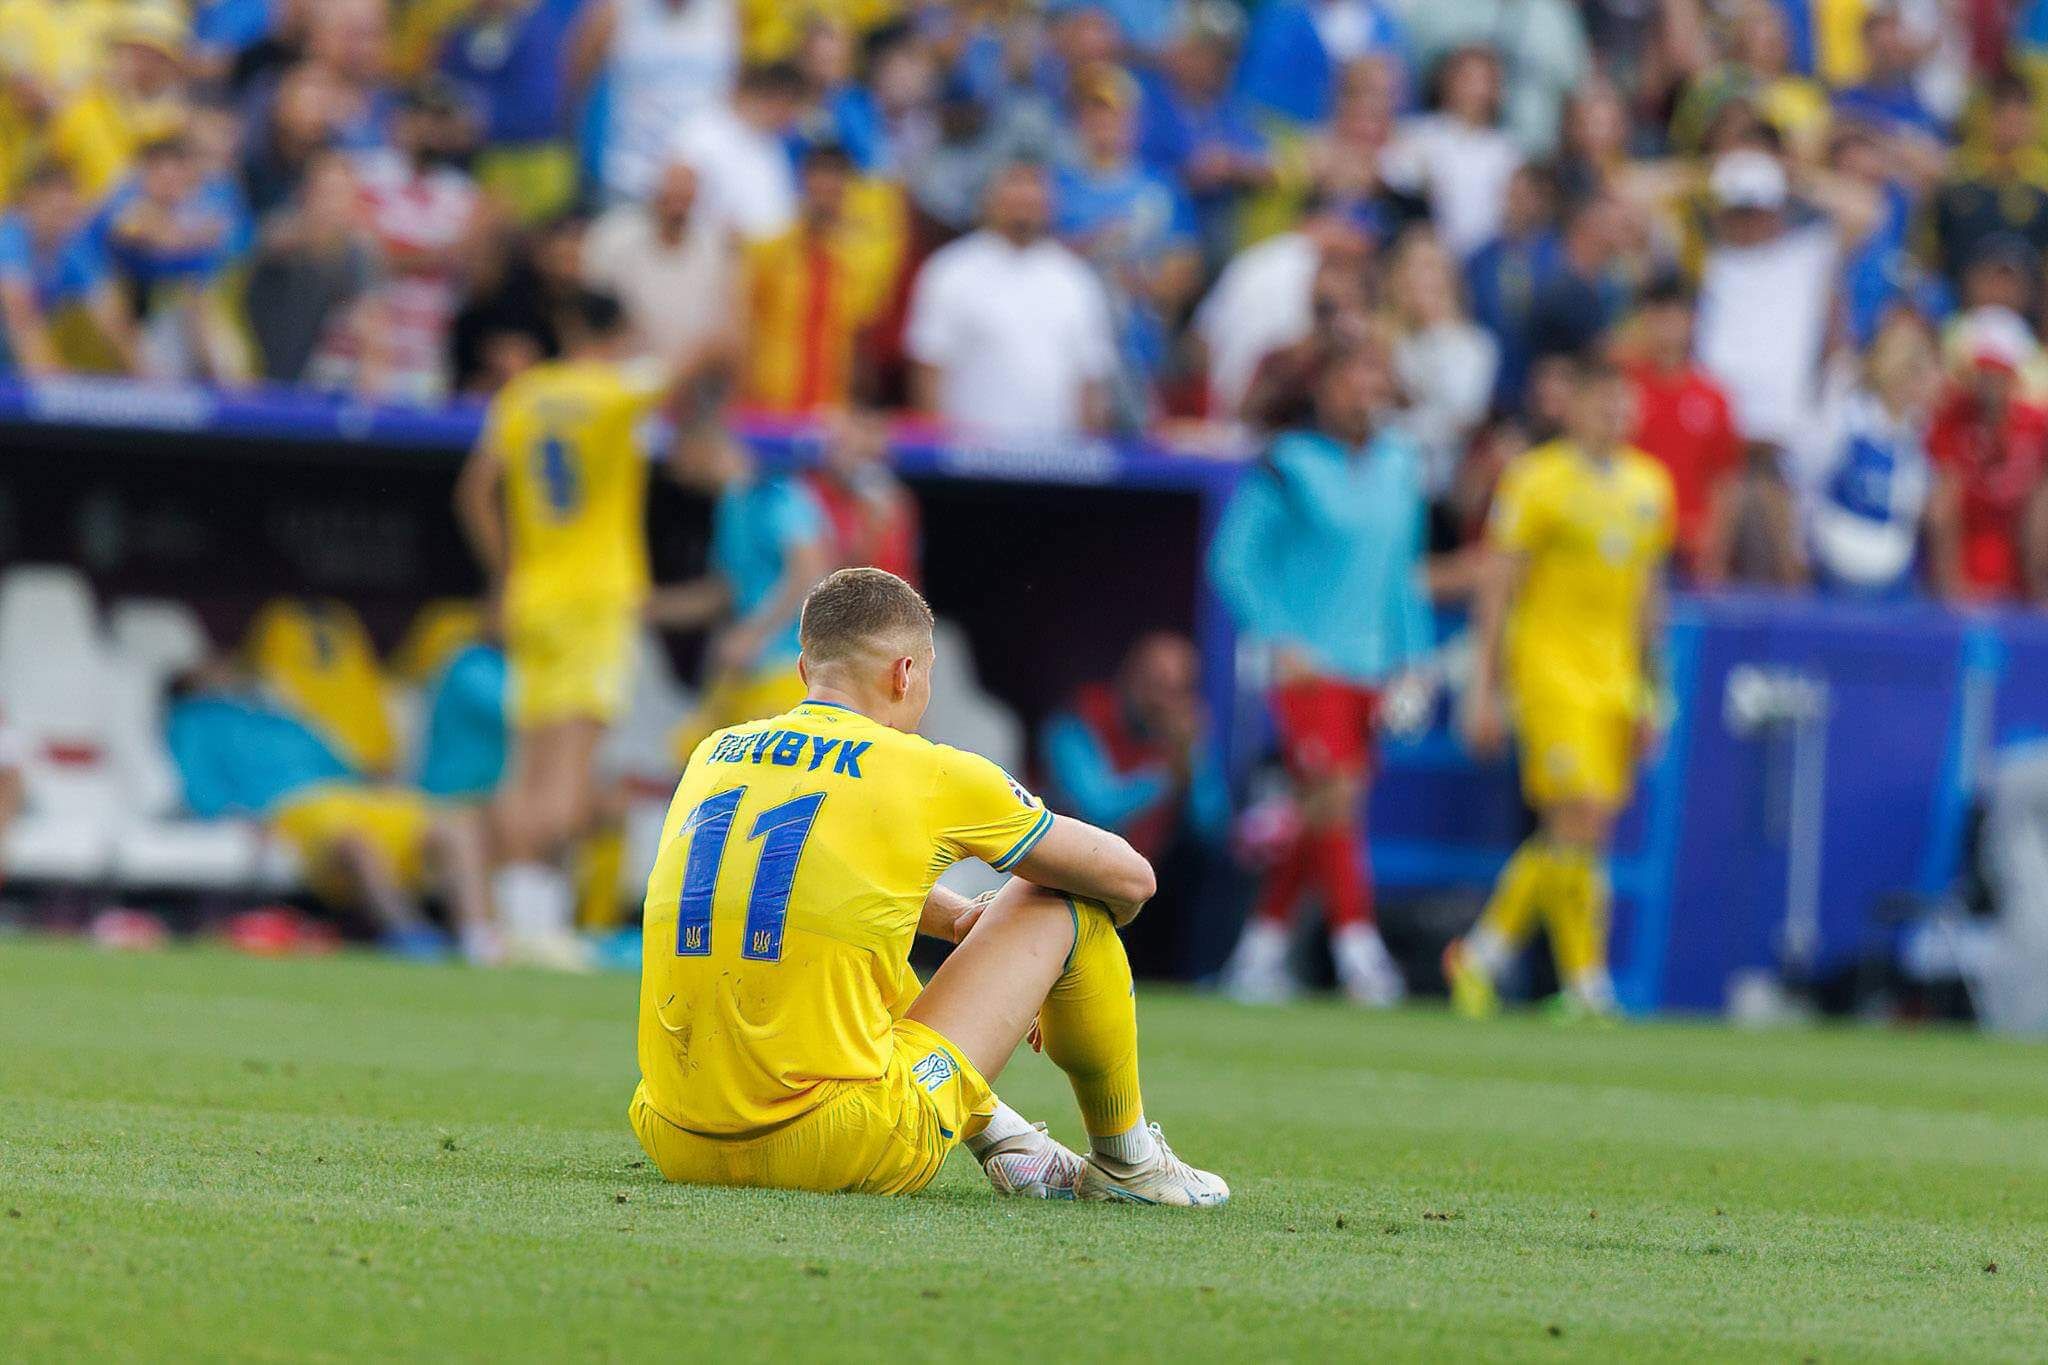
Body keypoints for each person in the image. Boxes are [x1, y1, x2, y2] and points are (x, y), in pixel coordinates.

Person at [630, 566, 1229, 1205]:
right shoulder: (926, 770)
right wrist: (1054, 966)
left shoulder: (714, 752)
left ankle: (1010, 1142)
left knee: (855, 959)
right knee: (1060, 900)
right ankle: (1128, 1161)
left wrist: (960, 922)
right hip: (833, 1144)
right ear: (905, 673)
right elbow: (1131, 878)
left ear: (806, 673)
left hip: (671, 1136)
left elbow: (798, 885)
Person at [454, 289, 684, 968]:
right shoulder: (615, 390)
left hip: (535, 595)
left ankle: (513, 924)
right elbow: (704, 354)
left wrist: (506, 573)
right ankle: (542, 927)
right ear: (614, 332)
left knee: (525, 765)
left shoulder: (524, 394)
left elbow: (473, 490)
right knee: (571, 767)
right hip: (595, 599)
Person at [1207, 336, 1432, 1006]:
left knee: (1319, 812)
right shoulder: (1288, 463)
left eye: (1375, 377)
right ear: (1325, 389)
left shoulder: (1400, 464)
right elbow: (1234, 559)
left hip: (1370, 666)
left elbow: (1401, 572)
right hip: (1306, 664)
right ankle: (1362, 954)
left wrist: (1413, 658)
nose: (1365, 392)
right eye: (1352, 377)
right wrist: (1278, 636)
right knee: (1336, 794)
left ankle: (1258, 952)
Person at [1448, 355, 1675, 1019]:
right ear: (1572, 406)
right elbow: (1499, 583)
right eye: (1601, 400)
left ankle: (1529, 968)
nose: (1614, 413)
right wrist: (1482, 688)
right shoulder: (1536, 479)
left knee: (1590, 827)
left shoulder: (1649, 485)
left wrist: (1654, 692)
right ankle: (1561, 974)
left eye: (1623, 402)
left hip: (1617, 678)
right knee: (1575, 812)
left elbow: (1650, 600)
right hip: (1549, 667)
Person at [1040, 633, 1232, 978]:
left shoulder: (1183, 742)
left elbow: (1213, 828)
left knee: (1215, 863)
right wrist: (1168, 776)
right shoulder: (1077, 722)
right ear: (1130, 680)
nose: (1164, 702)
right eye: (1157, 685)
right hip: (1077, 880)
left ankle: (1204, 977)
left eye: (1179, 690)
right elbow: (1098, 809)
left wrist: (1193, 763)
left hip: (1150, 891)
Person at [647, 430, 832, 760]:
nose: (672, 466)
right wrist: (647, 608)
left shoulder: (777, 493)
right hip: (745, 671)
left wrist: (753, 633)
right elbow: (726, 590)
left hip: (790, 666)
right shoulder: (732, 503)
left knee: (763, 763)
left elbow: (809, 571)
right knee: (689, 750)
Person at [904, 159, 1119, 439]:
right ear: (988, 197)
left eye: (1034, 186)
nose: (1025, 197)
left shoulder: (1076, 281)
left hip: (1056, 463)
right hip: (968, 461)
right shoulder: (950, 270)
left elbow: (1090, 381)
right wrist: (937, 454)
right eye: (1015, 184)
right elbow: (928, 367)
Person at [1797, 312, 1942, 598]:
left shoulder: (1921, 434)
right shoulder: (1847, 416)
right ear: (1902, 371)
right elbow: (1808, 480)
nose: (1935, 381)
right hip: (1832, 569)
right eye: (1925, 372)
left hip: (1891, 575)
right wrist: (1802, 549)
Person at [1625, 276, 1745, 581]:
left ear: (1692, 321)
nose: (1666, 326)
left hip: (1689, 547)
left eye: (1675, 315)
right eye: (1657, 315)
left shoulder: (1713, 398)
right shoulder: (1623, 388)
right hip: (1629, 537)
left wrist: (1715, 552)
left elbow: (1724, 481)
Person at [1927, 308, 2048, 603]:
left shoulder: (2037, 426)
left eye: (1999, 375)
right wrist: (1952, 591)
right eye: (1983, 374)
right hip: (1964, 581)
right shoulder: (1951, 419)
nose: (1990, 386)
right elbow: (1943, 509)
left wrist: (2038, 594)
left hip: (2020, 580)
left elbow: (2039, 511)